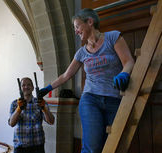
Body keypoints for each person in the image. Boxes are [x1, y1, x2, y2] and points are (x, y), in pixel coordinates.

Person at [38, 8, 135, 153]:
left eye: (77, 26)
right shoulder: (81, 52)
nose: (76, 31)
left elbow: (129, 62)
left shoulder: (112, 37)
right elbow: (66, 75)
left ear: (90, 22)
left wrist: (124, 74)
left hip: (114, 99)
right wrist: (47, 88)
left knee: (115, 145)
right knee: (92, 147)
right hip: (90, 100)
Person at [8, 77, 55, 153]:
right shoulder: (14, 104)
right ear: (20, 88)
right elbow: (11, 123)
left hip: (37, 146)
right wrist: (18, 109)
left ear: (33, 88)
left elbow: (51, 121)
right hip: (20, 146)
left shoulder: (40, 102)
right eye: (23, 85)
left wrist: (44, 109)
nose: (26, 87)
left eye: (28, 85)